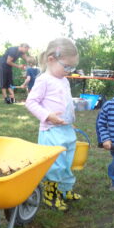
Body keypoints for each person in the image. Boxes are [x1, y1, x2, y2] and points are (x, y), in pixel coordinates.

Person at [25, 38, 81, 211]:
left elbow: (64, 101)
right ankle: (51, 195)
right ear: (51, 59)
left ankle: (65, 189)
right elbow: (31, 102)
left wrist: (70, 119)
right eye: (66, 67)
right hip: (51, 131)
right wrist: (47, 115)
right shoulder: (44, 80)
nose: (69, 71)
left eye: (71, 68)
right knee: (55, 164)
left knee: (67, 161)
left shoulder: (63, 80)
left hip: (65, 129)